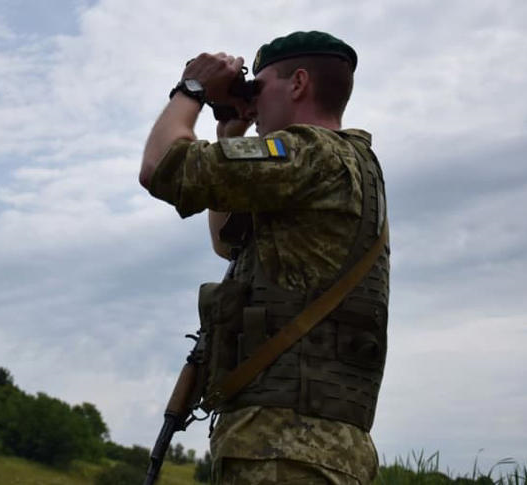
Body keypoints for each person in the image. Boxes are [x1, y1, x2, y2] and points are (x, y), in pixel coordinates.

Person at [140, 31, 389, 485]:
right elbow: (227, 241)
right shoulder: (343, 164)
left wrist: (192, 87)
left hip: (286, 450)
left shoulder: (311, 153)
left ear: (297, 84)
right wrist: (230, 130)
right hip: (317, 449)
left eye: (260, 87)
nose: (253, 103)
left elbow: (161, 168)